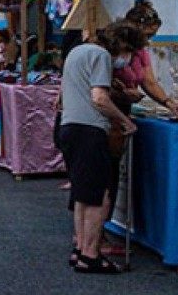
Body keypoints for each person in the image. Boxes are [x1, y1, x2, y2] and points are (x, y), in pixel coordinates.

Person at [59, 20, 146, 274]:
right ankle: (91, 254)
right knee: (99, 195)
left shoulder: (77, 51)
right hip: (90, 129)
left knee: (82, 194)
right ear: (122, 45)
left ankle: (80, 248)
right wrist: (124, 120)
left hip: (70, 127)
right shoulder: (101, 56)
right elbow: (99, 98)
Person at [113, 1, 178, 118]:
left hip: (124, 110)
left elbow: (149, 82)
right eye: (147, 35)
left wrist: (169, 103)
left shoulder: (141, 52)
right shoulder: (112, 48)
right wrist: (121, 93)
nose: (148, 41)